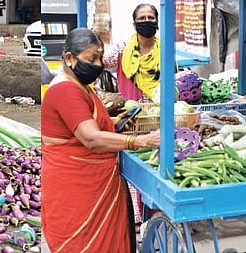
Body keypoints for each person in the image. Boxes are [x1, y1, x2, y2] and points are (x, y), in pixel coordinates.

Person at [41, 28, 160, 252]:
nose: (98, 64)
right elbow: (90, 138)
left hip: (94, 182)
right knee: (86, 243)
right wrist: (141, 141)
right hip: (77, 187)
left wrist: (114, 122)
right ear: (69, 58)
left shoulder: (79, 85)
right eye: (91, 58)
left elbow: (84, 123)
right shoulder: (65, 90)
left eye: (99, 58)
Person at [103, 3, 163, 102]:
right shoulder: (120, 51)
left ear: (157, 22)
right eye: (142, 18)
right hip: (131, 112)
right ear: (135, 25)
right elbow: (99, 64)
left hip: (160, 111)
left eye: (151, 18)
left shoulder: (165, 50)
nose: (147, 21)